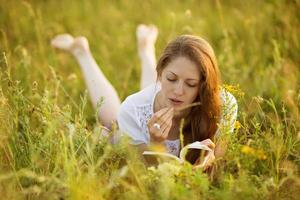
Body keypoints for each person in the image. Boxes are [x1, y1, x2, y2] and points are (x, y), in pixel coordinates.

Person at [51, 24, 238, 170]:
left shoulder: (225, 105)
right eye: (171, 79)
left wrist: (210, 162)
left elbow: (216, 166)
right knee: (112, 122)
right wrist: (155, 144)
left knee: (152, 94)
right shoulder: (132, 109)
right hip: (131, 135)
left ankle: (146, 46)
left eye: (191, 84)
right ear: (160, 74)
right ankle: (82, 52)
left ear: (204, 85)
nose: (178, 91)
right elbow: (150, 174)